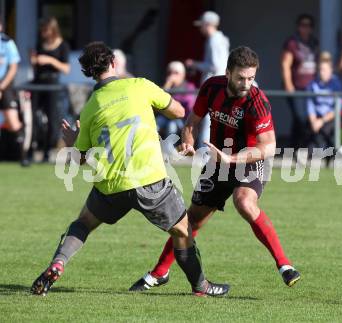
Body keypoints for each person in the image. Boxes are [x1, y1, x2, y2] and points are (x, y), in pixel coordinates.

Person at [30, 41, 229, 297]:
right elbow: (179, 111)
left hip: (110, 185)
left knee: (83, 224)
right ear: (114, 62)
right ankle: (201, 287)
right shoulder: (139, 85)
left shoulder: (91, 106)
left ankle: (58, 263)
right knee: (183, 231)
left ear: (89, 72)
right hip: (150, 180)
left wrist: (71, 142)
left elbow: (79, 159)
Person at [129, 46, 301, 292]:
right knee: (191, 221)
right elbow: (192, 122)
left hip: (249, 161)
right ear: (228, 72)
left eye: (251, 78)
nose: (246, 83)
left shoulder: (257, 101)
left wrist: (232, 159)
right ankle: (159, 273)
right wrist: (188, 140)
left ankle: (284, 265)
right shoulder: (211, 87)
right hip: (217, 162)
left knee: (244, 203)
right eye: (241, 77)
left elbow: (269, 146)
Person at [186, 11, 230, 148]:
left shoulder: (214, 40)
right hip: (221, 83)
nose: (200, 28)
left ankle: (205, 152)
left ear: (208, 24)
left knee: (208, 119)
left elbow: (216, 65)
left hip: (215, 84)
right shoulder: (221, 39)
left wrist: (194, 64)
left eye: (202, 25)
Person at [31, 17, 70, 162]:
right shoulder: (40, 43)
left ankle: (48, 150)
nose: (43, 33)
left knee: (52, 117)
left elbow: (66, 68)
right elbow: (35, 64)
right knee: (32, 115)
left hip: (52, 83)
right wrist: (34, 61)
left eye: (46, 30)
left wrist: (49, 60)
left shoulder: (62, 45)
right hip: (38, 81)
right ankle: (32, 146)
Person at [281, 13, 319, 150]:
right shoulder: (292, 43)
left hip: (311, 88)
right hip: (296, 87)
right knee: (300, 117)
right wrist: (288, 85)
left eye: (308, 25)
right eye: (303, 25)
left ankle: (296, 147)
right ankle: (297, 147)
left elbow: (319, 63)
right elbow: (285, 64)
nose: (305, 28)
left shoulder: (314, 42)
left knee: (305, 119)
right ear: (298, 27)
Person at [306, 52, 342, 152]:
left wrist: (321, 121)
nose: (322, 72)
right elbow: (310, 106)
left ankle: (313, 151)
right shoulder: (312, 84)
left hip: (330, 118)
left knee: (325, 129)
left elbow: (337, 109)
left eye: (325, 70)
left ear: (331, 70)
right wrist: (314, 121)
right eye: (320, 70)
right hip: (316, 118)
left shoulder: (336, 84)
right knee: (305, 125)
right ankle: (317, 151)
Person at [156, 61, 196, 138]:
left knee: (171, 126)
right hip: (166, 116)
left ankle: (169, 149)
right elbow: (159, 103)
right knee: (156, 123)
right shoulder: (167, 86)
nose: (172, 75)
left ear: (183, 75)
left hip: (182, 118)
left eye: (176, 73)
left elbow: (189, 105)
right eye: (170, 72)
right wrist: (167, 86)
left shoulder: (189, 86)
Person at [0, 18, 22, 157]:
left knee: (13, 123)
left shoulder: (7, 42)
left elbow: (13, 67)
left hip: (4, 85)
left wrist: (1, 87)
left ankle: (23, 155)